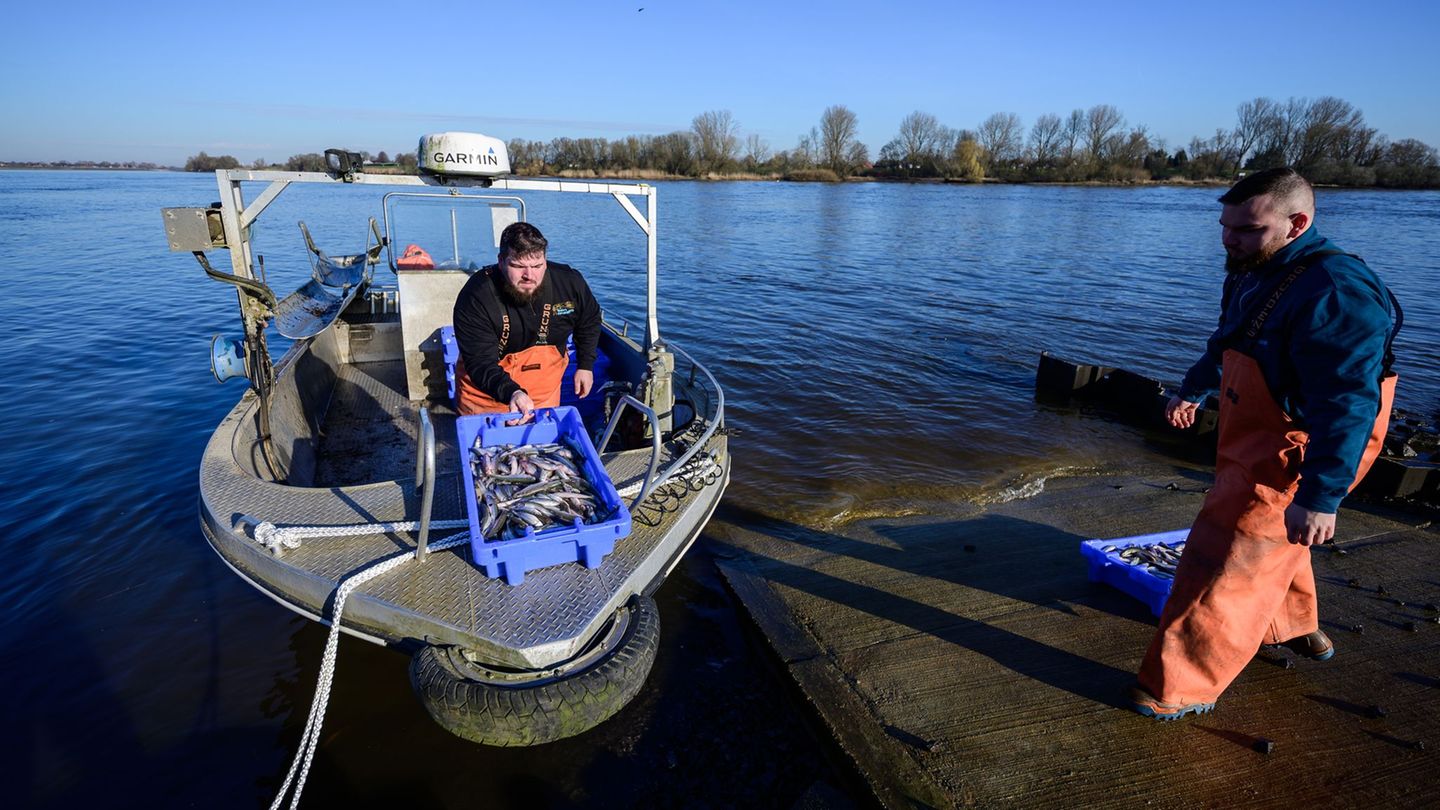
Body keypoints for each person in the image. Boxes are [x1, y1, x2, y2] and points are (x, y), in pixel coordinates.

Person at [1129, 167, 1401, 720]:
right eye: (1225, 225)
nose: (1229, 239)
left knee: (1227, 554)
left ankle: (1178, 685)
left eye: (1247, 229)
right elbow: (1230, 337)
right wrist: (1194, 390)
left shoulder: (1336, 293)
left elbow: (1348, 402)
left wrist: (1322, 494)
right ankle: (1291, 626)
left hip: (1307, 437)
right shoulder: (1253, 267)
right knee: (1276, 539)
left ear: (1297, 223)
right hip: (1250, 422)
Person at [452, 222, 602, 423]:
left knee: (539, 449)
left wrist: (585, 364)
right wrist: (512, 393)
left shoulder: (569, 282)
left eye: (537, 266)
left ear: (545, 261)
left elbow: (589, 319)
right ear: (501, 261)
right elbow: (479, 361)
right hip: (486, 397)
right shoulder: (476, 296)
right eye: (518, 266)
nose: (529, 276)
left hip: (544, 394)